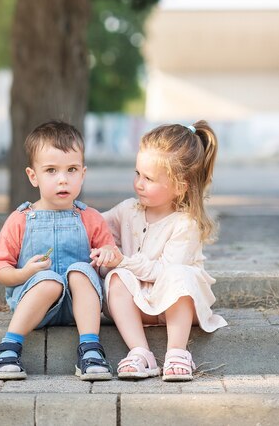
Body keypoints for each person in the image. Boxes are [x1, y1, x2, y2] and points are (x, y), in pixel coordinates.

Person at [90, 120, 227, 382]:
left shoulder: (185, 223)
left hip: (176, 306)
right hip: (138, 305)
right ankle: (140, 352)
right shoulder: (127, 210)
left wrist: (123, 260)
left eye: (149, 178)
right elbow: (95, 225)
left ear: (180, 186)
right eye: (137, 173)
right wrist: (105, 246)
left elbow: (164, 272)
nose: (139, 183)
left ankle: (177, 352)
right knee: (116, 278)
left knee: (179, 275)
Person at [0, 120, 114, 381]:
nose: (62, 179)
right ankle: (9, 347)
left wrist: (106, 259)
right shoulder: (21, 219)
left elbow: (109, 262)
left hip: (79, 306)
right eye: (51, 170)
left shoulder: (91, 218)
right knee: (49, 280)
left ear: (83, 173)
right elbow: (0, 270)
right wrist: (25, 273)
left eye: (71, 169)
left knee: (81, 271)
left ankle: (90, 349)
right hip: (35, 303)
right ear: (33, 176)